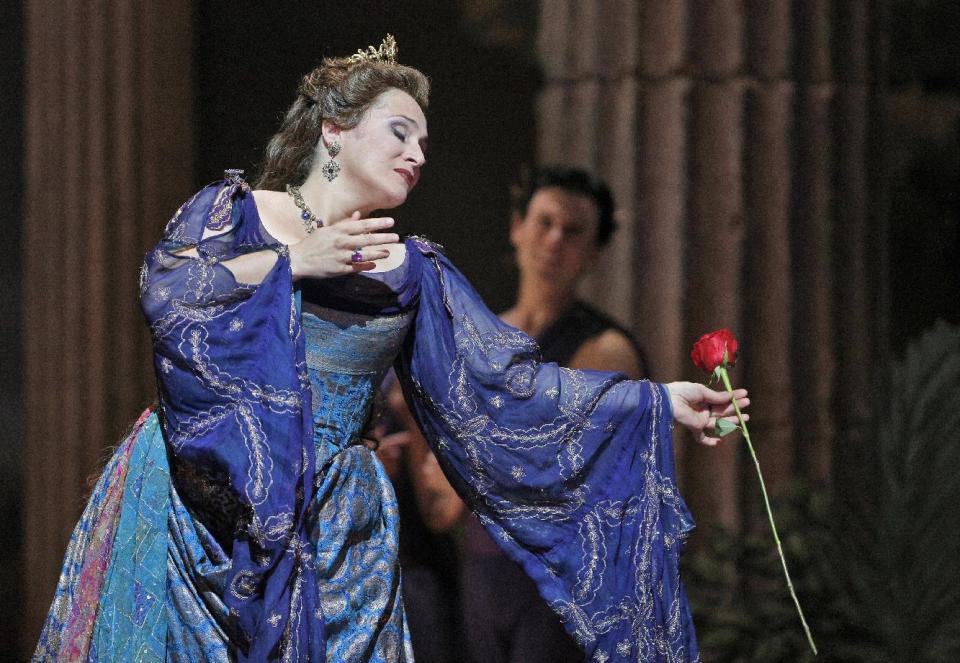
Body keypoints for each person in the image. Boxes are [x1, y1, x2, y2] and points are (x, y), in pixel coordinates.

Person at [33, 36, 748, 663]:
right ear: (335, 130)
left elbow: (506, 387)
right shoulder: (236, 213)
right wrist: (292, 262)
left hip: (331, 521)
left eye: (425, 145)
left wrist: (657, 400)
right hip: (193, 505)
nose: (416, 154)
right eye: (400, 133)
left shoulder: (410, 271)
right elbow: (169, 291)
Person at [457, 166, 650, 663]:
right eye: (544, 223)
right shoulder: (483, 336)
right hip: (481, 570)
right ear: (517, 228)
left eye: (573, 231)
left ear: (593, 254)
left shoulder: (605, 350)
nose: (554, 241)